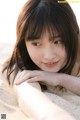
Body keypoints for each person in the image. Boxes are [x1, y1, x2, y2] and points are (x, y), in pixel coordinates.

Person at [2, 0, 80, 119]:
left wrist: (61, 79)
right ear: (24, 44)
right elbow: (36, 103)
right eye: (36, 44)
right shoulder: (20, 65)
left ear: (74, 36)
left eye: (57, 41)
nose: (48, 55)